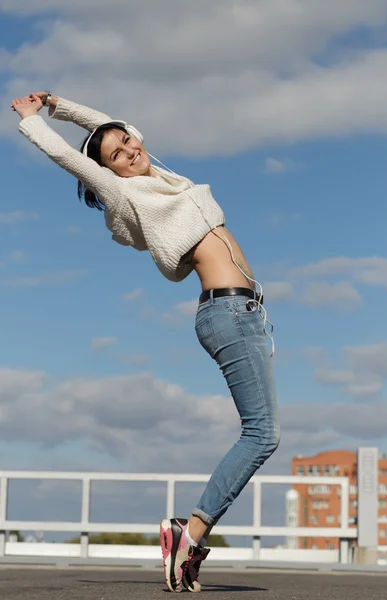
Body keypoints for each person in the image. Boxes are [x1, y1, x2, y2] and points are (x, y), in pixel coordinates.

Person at [11, 92, 281, 593]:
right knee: (262, 433)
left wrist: (58, 103)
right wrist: (33, 120)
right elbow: (72, 157)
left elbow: (111, 125)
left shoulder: (162, 175)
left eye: (129, 141)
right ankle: (190, 533)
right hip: (227, 312)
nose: (129, 149)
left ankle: (189, 543)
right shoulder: (127, 194)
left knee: (262, 431)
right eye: (117, 154)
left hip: (244, 311)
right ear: (110, 173)